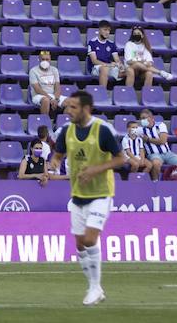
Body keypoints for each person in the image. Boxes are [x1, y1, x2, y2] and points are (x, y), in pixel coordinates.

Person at [47, 91, 121, 306]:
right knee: (80, 245)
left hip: (101, 193)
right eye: (67, 107)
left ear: (86, 109)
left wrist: (96, 169)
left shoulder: (102, 130)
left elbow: (120, 159)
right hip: (78, 193)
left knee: (90, 239)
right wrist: (52, 165)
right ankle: (93, 287)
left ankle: (96, 287)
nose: (68, 111)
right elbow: (58, 155)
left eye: (73, 107)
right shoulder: (66, 131)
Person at [137, 108, 177, 178]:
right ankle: (156, 184)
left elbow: (163, 141)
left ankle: (171, 182)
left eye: (144, 118)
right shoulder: (139, 130)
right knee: (156, 164)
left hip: (167, 153)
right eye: (141, 119)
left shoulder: (160, 125)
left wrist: (148, 139)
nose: (142, 121)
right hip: (153, 154)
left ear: (151, 118)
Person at [29, 49, 64, 117]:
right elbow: (37, 89)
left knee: (70, 102)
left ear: (50, 59)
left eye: (47, 59)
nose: (45, 61)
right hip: (38, 95)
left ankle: (60, 123)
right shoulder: (33, 71)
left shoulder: (54, 70)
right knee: (46, 100)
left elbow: (57, 86)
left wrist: (56, 99)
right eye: (43, 59)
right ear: (39, 59)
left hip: (53, 95)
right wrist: (51, 99)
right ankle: (45, 123)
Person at [87, 22, 119, 90]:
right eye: (105, 30)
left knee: (128, 71)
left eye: (109, 30)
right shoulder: (92, 42)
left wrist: (119, 65)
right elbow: (94, 61)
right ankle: (103, 93)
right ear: (99, 30)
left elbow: (117, 59)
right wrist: (108, 65)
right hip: (95, 68)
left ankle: (128, 94)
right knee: (105, 68)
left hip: (108, 66)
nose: (107, 32)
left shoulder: (111, 44)